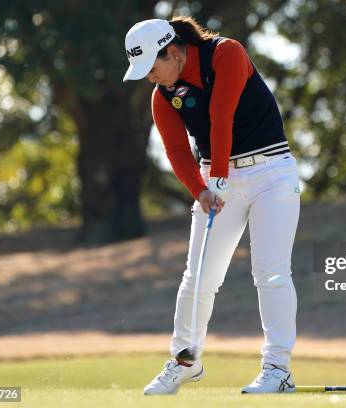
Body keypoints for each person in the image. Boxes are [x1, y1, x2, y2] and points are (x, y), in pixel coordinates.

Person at [123, 16, 300, 395]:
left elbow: (224, 116)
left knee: (270, 273)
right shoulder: (162, 96)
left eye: (153, 68)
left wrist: (217, 175)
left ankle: (277, 369)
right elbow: (175, 150)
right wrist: (200, 190)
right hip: (216, 181)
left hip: (272, 172)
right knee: (199, 277)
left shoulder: (226, 53)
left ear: (173, 50)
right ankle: (185, 361)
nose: (152, 79)